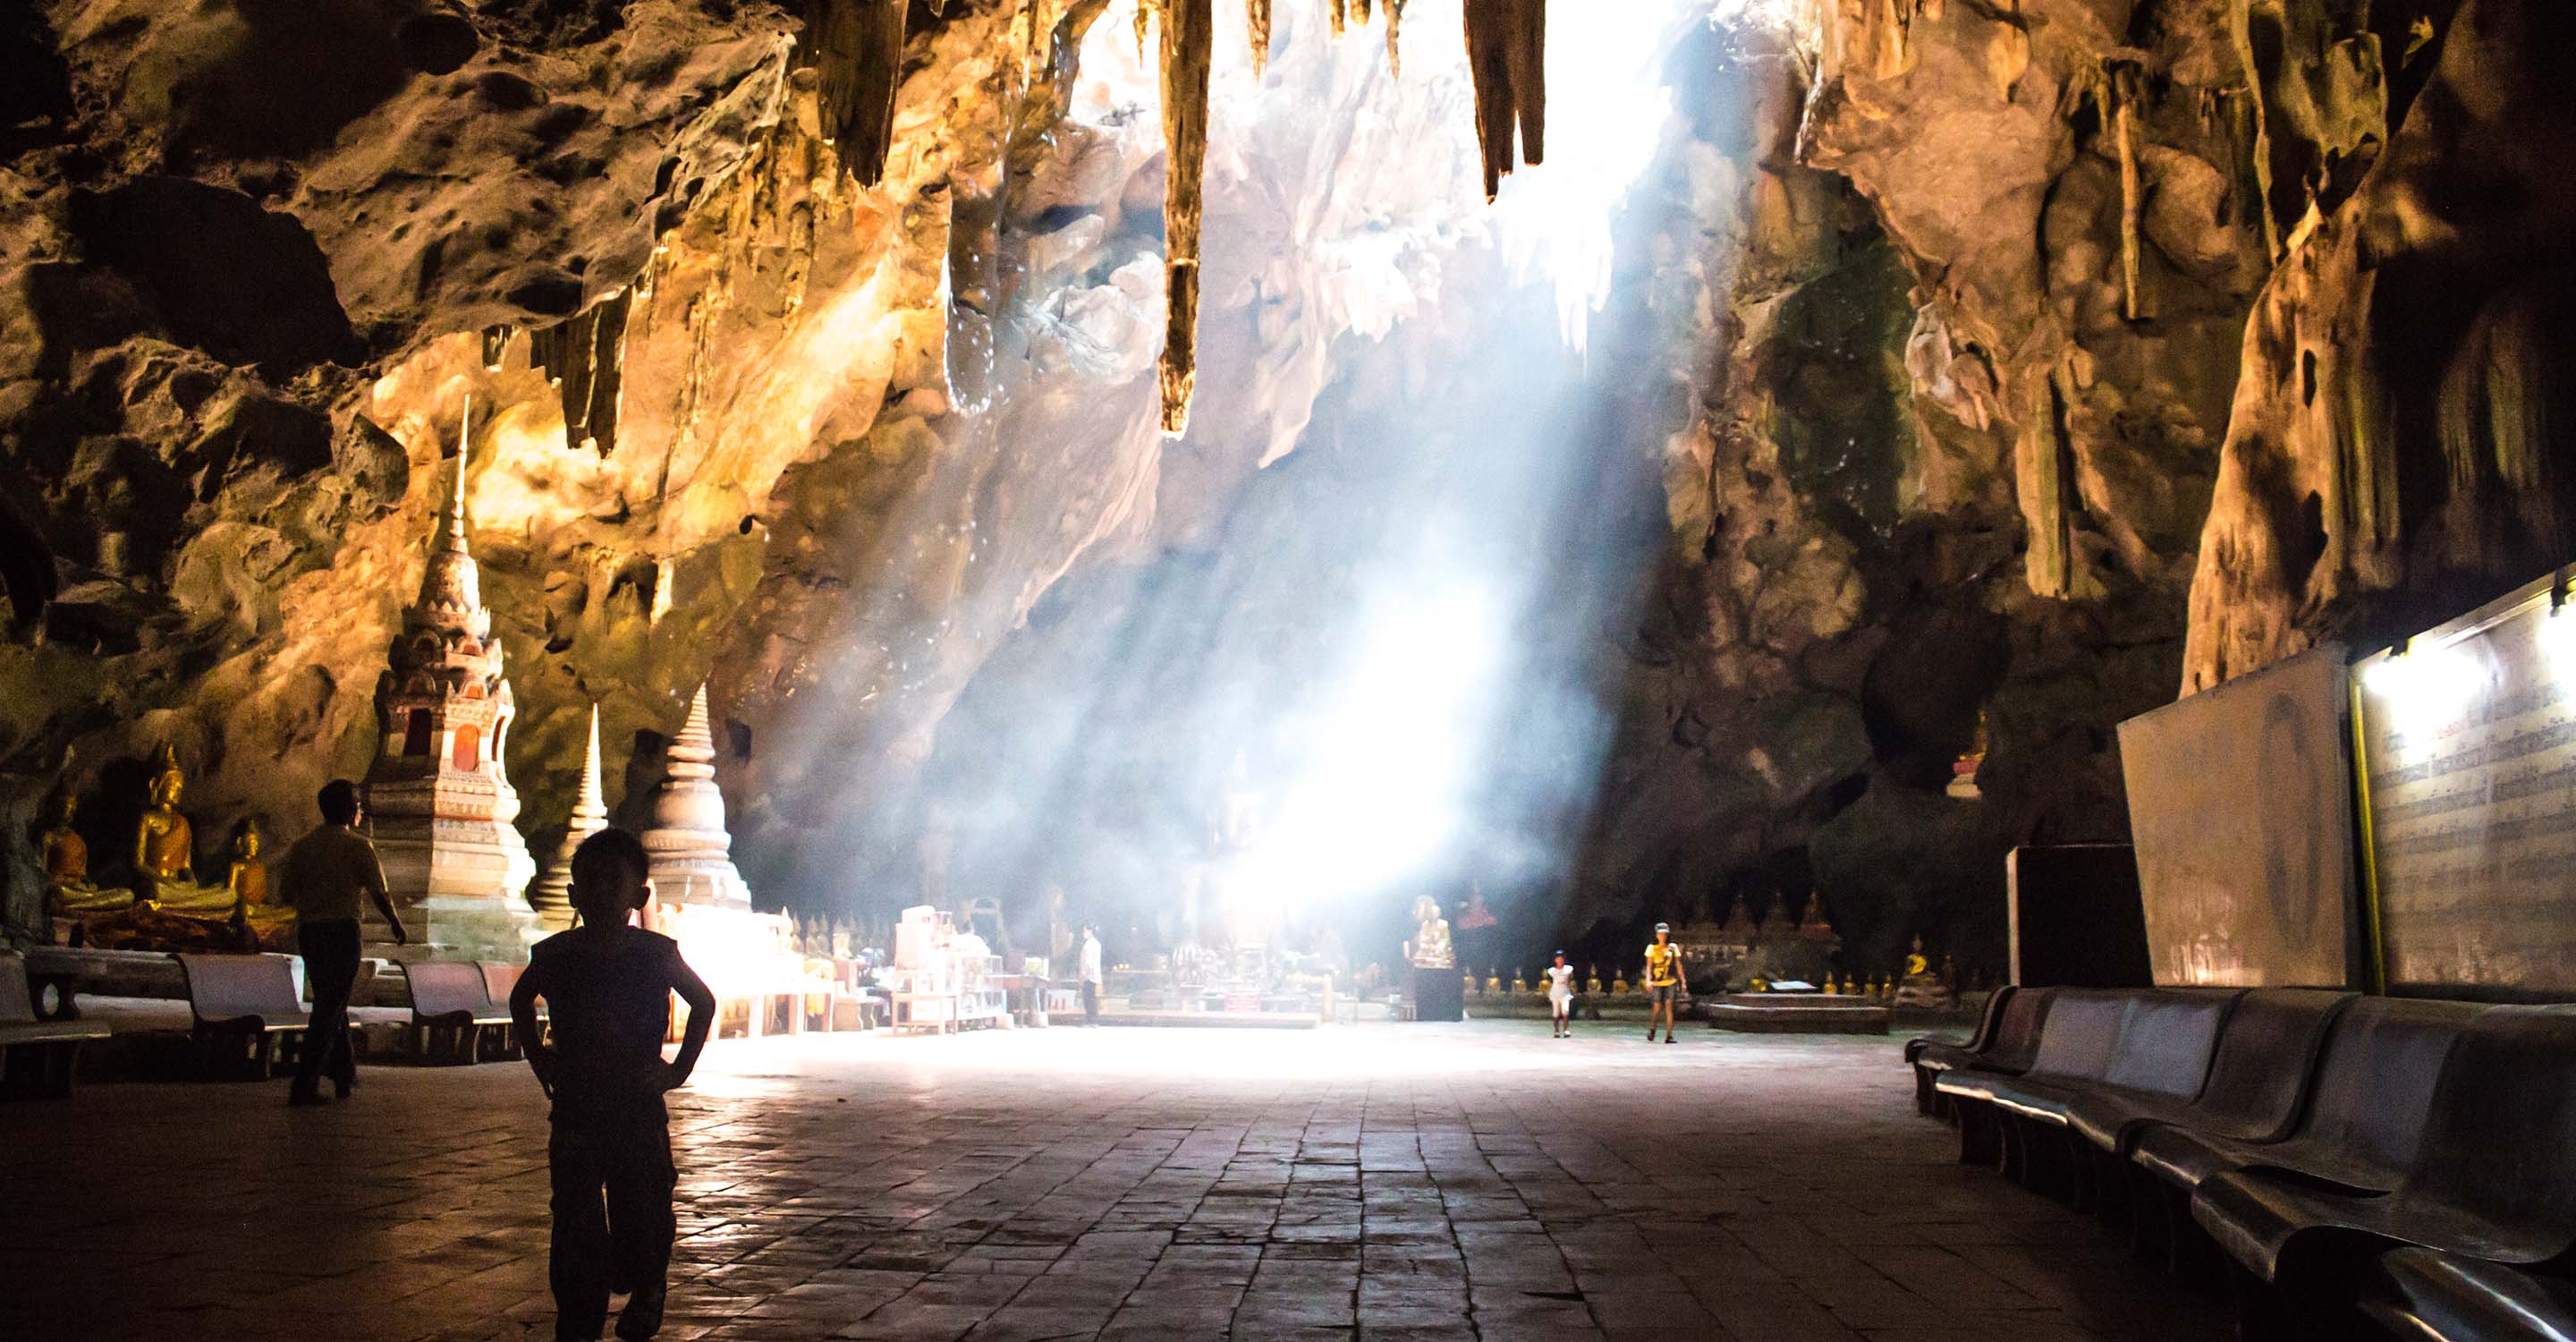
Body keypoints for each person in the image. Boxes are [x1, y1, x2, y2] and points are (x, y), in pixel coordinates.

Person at [510, 828, 716, 1342]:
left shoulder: (655, 953)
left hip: (636, 1104)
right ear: (573, 894)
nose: (602, 892)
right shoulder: (555, 953)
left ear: (639, 896)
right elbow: (520, 1002)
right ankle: (579, 1314)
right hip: (577, 1104)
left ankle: (647, 1286)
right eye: (590, 883)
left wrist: (677, 1071)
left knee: (643, 1207)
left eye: (613, 881)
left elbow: (703, 1002)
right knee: (575, 1215)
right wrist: (539, 1059)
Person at [276, 780, 408, 1106]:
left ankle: (343, 1073)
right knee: (328, 1007)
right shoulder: (358, 847)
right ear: (350, 810)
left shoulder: (303, 846)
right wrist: (395, 923)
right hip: (342, 933)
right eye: (358, 805)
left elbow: (286, 894)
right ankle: (305, 1083)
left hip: (311, 932)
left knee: (332, 1001)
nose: (361, 810)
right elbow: (379, 892)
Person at [1644, 922, 1686, 1044]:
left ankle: (1669, 1035)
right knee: (1657, 1007)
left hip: (1670, 981)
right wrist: (1648, 980)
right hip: (1657, 982)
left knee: (1669, 1006)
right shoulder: (1651, 948)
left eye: (1665, 934)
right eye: (1660, 933)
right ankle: (1653, 1029)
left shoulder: (1673, 947)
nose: (1663, 936)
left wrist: (1683, 980)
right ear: (1656, 935)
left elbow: (1678, 964)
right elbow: (1649, 966)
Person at [1546, 950, 1576, 1039]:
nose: (1560, 960)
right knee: (1555, 1014)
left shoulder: (1568, 969)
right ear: (1555, 960)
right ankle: (1556, 1031)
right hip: (1555, 993)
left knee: (1565, 1012)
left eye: (1561, 958)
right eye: (1558, 958)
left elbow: (1571, 979)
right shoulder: (1552, 971)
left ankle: (1566, 1030)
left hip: (1565, 993)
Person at [1079, 924, 1104, 1026]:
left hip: (1089, 975)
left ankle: (1091, 1020)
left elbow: (1088, 962)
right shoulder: (1096, 943)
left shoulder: (1089, 944)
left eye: (1085, 931)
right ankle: (1092, 1020)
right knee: (1091, 998)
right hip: (1093, 975)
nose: (1083, 933)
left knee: (1088, 998)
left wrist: (1083, 974)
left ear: (1090, 931)